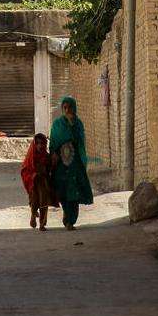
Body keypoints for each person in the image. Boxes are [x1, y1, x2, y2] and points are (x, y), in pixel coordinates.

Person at [47, 95, 93, 229]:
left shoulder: (78, 124)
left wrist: (72, 125)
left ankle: (70, 221)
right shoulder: (57, 124)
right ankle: (67, 214)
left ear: (74, 108)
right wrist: (54, 154)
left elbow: (80, 141)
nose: (67, 110)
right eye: (65, 107)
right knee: (62, 189)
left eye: (69, 107)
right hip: (61, 162)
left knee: (74, 190)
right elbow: (53, 142)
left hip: (75, 162)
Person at [19, 132, 56, 229]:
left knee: (44, 202)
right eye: (38, 143)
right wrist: (32, 175)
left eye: (42, 143)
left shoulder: (47, 156)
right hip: (34, 183)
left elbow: (51, 169)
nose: (40, 146)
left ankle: (42, 224)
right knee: (34, 202)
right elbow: (24, 170)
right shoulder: (31, 157)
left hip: (44, 183)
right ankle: (33, 215)